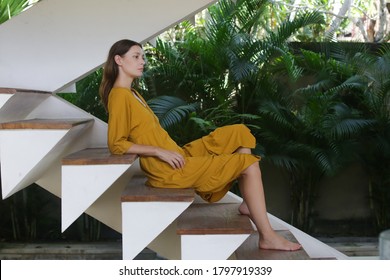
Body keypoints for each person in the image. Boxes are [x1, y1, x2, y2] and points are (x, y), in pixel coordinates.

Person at [99, 39, 301, 251]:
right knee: (249, 165)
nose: (142, 61)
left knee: (239, 132)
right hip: (168, 169)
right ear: (119, 60)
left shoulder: (132, 93)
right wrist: (158, 151)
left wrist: (165, 150)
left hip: (177, 153)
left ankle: (248, 203)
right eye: (136, 57)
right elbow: (117, 144)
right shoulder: (119, 96)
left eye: (142, 56)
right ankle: (267, 236)